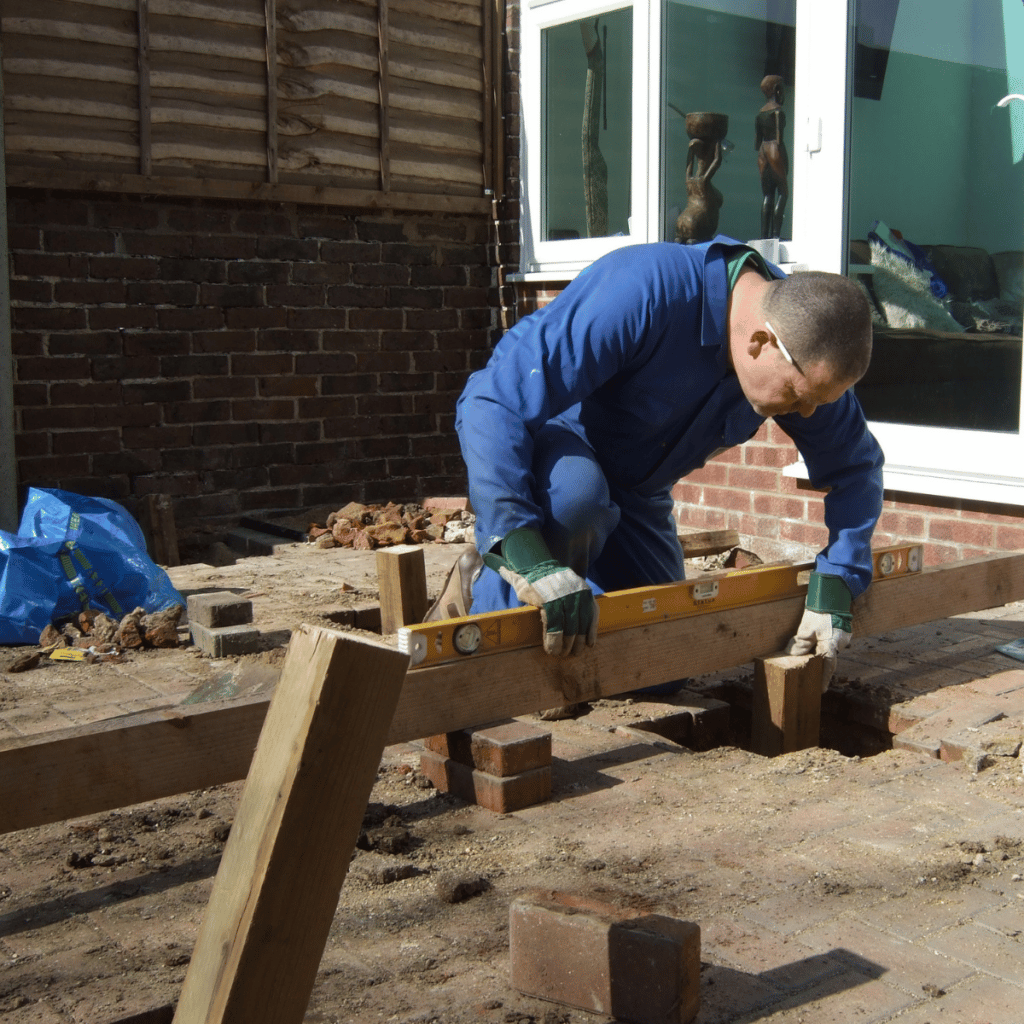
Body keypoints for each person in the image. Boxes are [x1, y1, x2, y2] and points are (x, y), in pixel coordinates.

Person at [431, 235, 884, 691]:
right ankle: (489, 608)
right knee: (577, 497)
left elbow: (856, 467)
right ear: (760, 343)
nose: (808, 414)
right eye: (798, 398)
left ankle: (565, 589)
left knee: (660, 665)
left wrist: (839, 580)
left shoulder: (804, 344)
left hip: (638, 495)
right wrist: (515, 537)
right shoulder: (644, 291)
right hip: (561, 467)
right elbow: (493, 400)